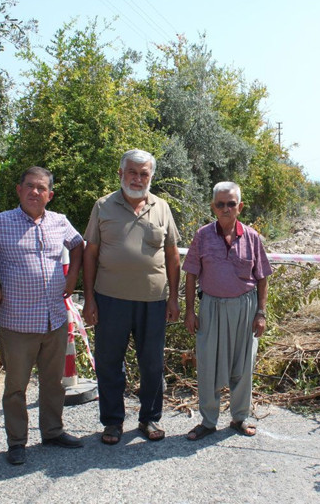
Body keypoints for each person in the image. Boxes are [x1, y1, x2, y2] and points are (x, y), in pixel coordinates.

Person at [0, 166, 85, 465]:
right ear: (19, 189)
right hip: (17, 322)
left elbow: (78, 246)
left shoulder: (59, 222)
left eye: (41, 188)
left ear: (49, 195)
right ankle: (17, 442)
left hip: (54, 318)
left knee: (53, 382)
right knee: (16, 387)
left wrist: (72, 277)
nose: (34, 192)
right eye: (29, 186)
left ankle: (52, 432)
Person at [82, 149, 181, 445]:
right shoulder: (102, 206)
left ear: (151, 177)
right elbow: (90, 254)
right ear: (121, 174)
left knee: (151, 363)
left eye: (144, 174)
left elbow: (173, 254)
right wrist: (89, 299)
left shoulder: (162, 207)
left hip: (153, 301)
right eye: (133, 172)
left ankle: (149, 418)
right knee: (109, 363)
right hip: (110, 299)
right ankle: (112, 423)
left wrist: (174, 298)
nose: (138, 179)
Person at [182, 181, 272, 441]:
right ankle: (208, 422)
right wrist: (190, 311)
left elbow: (263, 277)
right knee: (208, 365)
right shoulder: (202, 235)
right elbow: (190, 275)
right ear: (213, 207)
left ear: (239, 207)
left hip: (245, 309)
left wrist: (261, 313)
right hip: (211, 307)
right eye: (220, 204)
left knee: (243, 367)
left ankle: (239, 418)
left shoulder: (252, 237)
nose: (225, 208)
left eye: (230, 204)